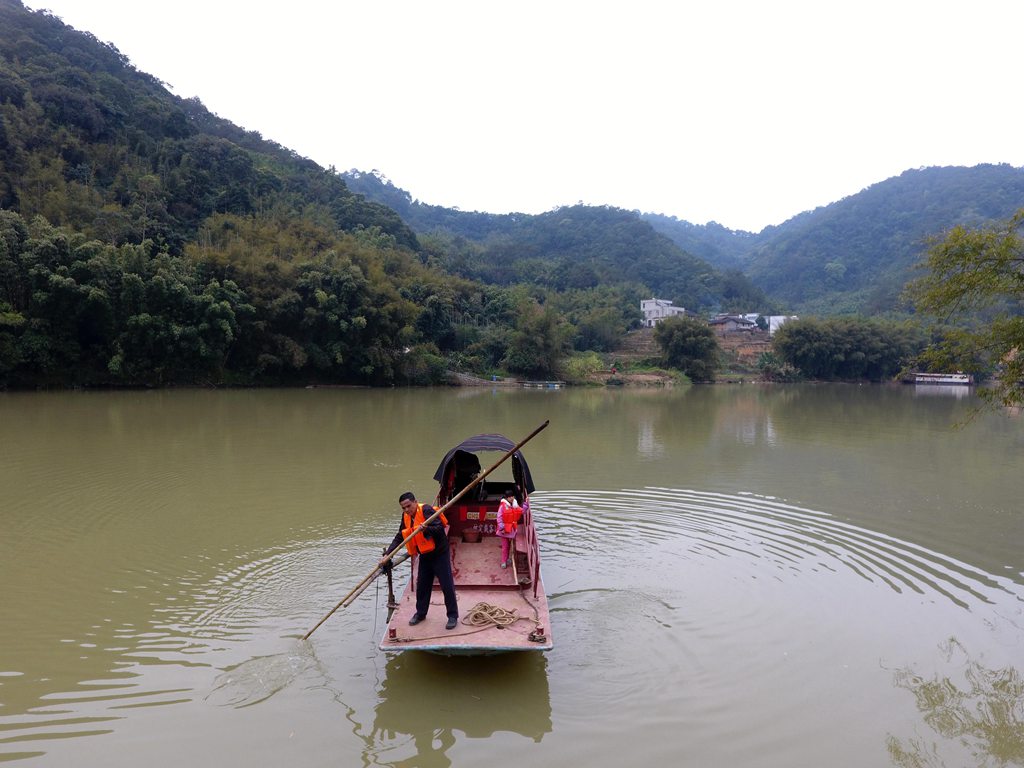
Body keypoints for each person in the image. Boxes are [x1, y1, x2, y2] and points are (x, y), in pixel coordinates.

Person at [381, 491, 459, 630]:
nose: (406, 510)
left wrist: (426, 529)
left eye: (408, 506)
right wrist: (389, 554)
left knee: (446, 585)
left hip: (439, 554)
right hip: (425, 555)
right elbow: (400, 536)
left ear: (415, 502)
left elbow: (440, 528)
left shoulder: (427, 510)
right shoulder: (406, 516)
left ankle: (452, 616)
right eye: (403, 508)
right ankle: (421, 613)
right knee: (422, 586)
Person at [496, 487, 522, 569]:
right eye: (510, 497)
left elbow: (521, 511)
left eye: (512, 496)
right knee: (505, 546)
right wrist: (502, 528)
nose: (512, 498)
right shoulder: (502, 506)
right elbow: (499, 518)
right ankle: (503, 561)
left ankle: (507, 559)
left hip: (512, 530)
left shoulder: (514, 505)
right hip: (504, 531)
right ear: (507, 498)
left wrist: (526, 505)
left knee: (510, 546)